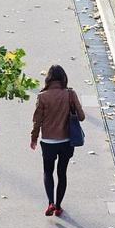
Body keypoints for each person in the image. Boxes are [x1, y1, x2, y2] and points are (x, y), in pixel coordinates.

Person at [30, 64, 85, 217]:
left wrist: (34, 138)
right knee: (62, 173)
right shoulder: (70, 94)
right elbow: (81, 117)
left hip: (48, 142)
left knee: (48, 172)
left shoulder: (42, 96)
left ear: (48, 79)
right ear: (63, 79)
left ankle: (50, 203)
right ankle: (59, 206)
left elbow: (37, 121)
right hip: (67, 141)